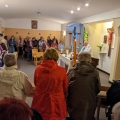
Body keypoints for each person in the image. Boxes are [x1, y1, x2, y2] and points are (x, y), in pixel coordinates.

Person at [32, 48, 68, 120]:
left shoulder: (38, 68)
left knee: (40, 117)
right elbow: (65, 87)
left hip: (40, 99)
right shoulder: (62, 70)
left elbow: (36, 83)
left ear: (44, 56)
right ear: (56, 57)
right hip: (56, 99)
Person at [67, 52, 101, 120]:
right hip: (89, 103)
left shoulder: (72, 71)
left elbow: (67, 87)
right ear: (89, 60)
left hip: (74, 102)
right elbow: (98, 89)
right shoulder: (95, 73)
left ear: (78, 59)